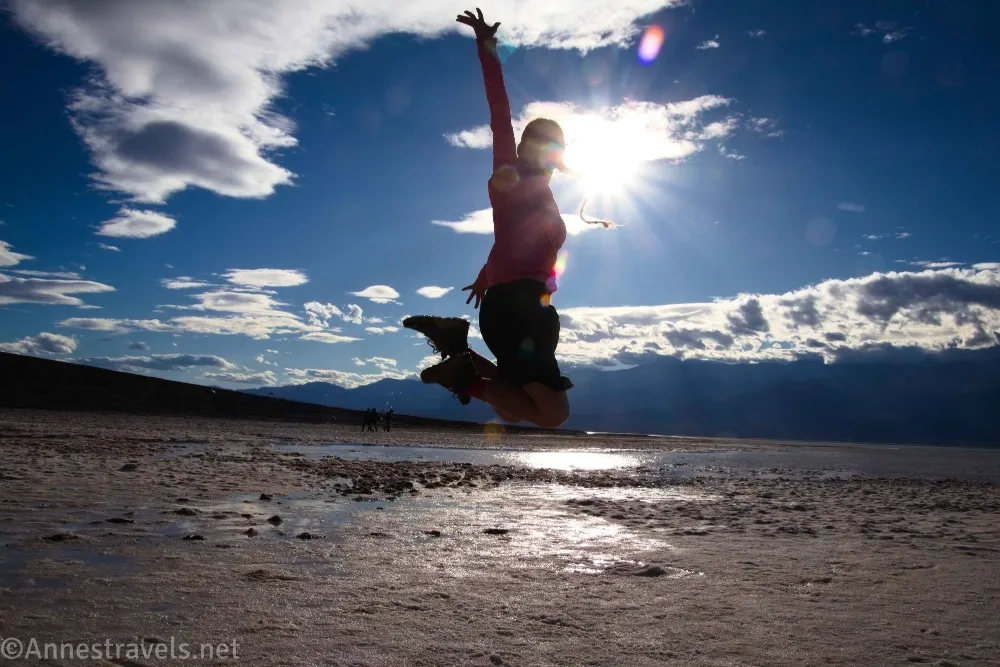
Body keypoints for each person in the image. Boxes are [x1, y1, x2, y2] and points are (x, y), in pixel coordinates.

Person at [404, 8, 609, 429]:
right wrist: (487, 48)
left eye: (554, 145)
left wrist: (485, 276)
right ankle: (463, 371)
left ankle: (459, 352)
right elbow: (499, 110)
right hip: (517, 310)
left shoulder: (545, 192)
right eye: (538, 142)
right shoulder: (509, 177)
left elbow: (511, 244)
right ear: (524, 145)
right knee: (552, 415)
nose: (546, 151)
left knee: (520, 399)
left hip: (525, 309)